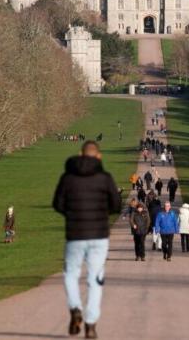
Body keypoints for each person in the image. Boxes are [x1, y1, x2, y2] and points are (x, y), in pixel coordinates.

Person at [52, 140, 121, 339]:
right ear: (98, 156)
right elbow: (116, 204)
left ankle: (75, 308)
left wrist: (72, 214)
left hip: (75, 234)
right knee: (95, 278)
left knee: (71, 274)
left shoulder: (68, 177)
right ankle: (91, 324)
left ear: (80, 153)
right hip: (99, 235)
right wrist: (102, 212)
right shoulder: (104, 178)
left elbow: (57, 204)